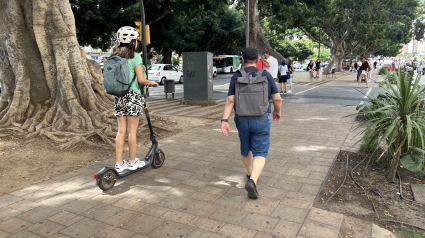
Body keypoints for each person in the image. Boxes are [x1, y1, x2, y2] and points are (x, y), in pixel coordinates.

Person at [221, 47, 282, 199]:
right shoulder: (266, 76)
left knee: (245, 148)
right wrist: (277, 111)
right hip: (261, 119)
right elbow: (277, 98)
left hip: (242, 119)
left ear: (242, 60)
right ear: (258, 59)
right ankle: (253, 180)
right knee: (260, 151)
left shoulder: (236, 76)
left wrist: (224, 120)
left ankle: (249, 174)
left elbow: (230, 101)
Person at [111, 26, 158, 172]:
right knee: (132, 131)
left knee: (121, 130)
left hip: (118, 96)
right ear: (133, 41)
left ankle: (119, 164)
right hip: (132, 96)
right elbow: (141, 79)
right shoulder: (135, 56)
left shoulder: (114, 56)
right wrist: (152, 83)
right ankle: (132, 161)